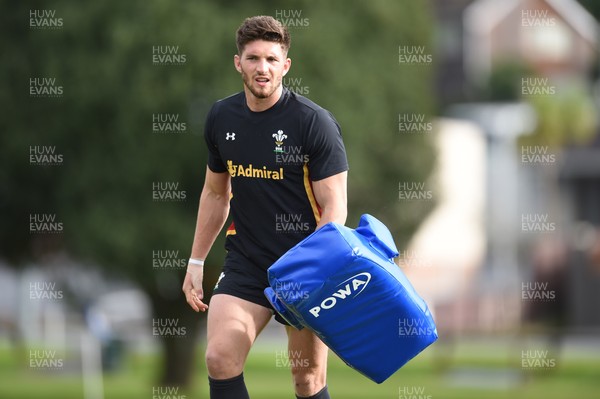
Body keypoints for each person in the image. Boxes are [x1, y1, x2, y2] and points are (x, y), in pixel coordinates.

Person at [181, 15, 348, 399]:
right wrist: (196, 261)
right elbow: (215, 194)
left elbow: (334, 206)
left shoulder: (313, 123)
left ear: (286, 65)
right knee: (220, 358)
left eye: (272, 59)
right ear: (238, 63)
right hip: (247, 262)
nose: (263, 68)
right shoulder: (221, 117)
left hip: (305, 267)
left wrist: (315, 268)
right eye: (254, 58)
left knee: (307, 382)